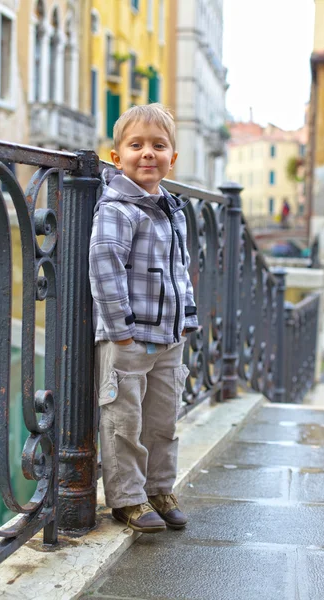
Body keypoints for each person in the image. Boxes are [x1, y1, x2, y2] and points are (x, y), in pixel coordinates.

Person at [89, 104, 198, 534]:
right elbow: (104, 267)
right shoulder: (117, 208)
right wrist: (121, 332)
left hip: (170, 337)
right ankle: (128, 498)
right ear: (117, 158)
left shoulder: (173, 209)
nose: (147, 153)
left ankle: (159, 489)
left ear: (173, 158)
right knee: (124, 423)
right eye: (136, 145)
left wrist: (187, 318)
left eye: (158, 145)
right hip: (129, 338)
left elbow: (181, 268)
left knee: (163, 421)